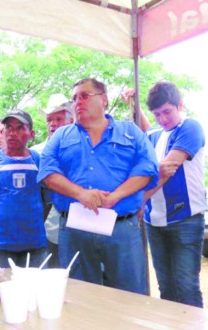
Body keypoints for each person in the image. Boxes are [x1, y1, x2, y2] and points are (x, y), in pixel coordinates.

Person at [38, 77, 158, 294]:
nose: (78, 102)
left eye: (84, 96)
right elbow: (47, 173)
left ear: (103, 99)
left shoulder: (130, 132)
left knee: (128, 296)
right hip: (75, 229)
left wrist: (115, 196)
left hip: (121, 228)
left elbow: (148, 170)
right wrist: (81, 193)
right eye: (74, 98)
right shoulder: (61, 136)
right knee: (79, 295)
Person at [142, 81, 207, 308]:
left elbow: (168, 170)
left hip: (185, 219)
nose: (163, 119)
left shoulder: (191, 127)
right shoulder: (154, 134)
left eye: (167, 112)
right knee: (166, 287)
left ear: (180, 105)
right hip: (154, 221)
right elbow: (147, 130)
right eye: (157, 114)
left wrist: (138, 200)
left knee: (187, 287)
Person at [0, 110, 48, 269]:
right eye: (9, 127)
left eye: (20, 128)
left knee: (36, 291)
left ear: (31, 133)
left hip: (35, 244)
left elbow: (46, 198)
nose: (12, 133)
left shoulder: (38, 160)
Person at [32, 94, 74, 267]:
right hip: (46, 226)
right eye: (50, 119)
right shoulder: (36, 152)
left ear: (70, 121)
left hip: (79, 224)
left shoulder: (81, 147)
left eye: (59, 118)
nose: (53, 124)